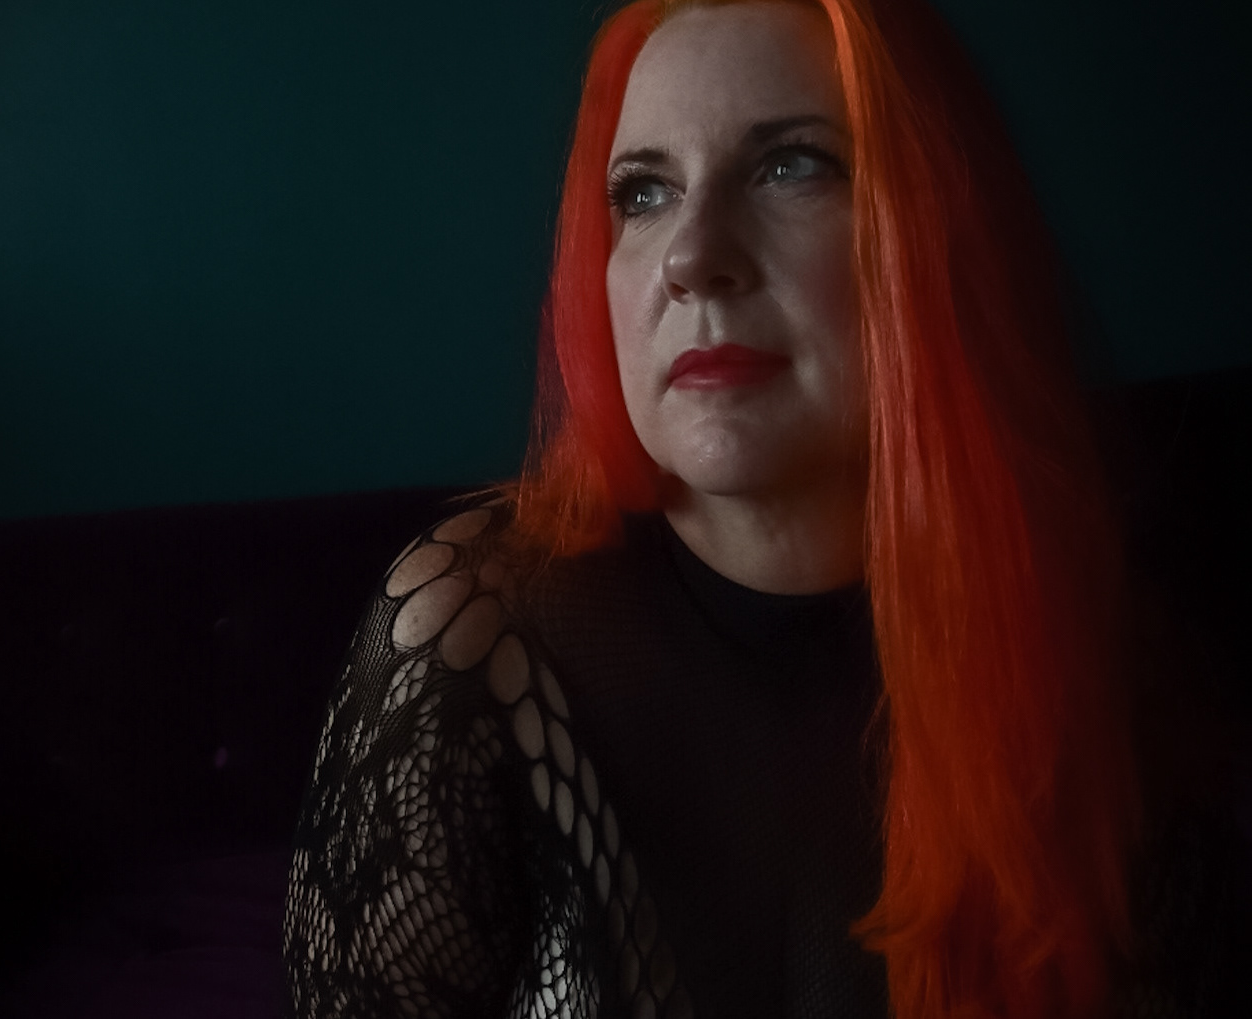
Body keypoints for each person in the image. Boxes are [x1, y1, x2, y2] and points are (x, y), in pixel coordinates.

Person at [284, 1, 1236, 1016]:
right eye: (643, 192)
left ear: (939, 230)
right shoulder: (472, 639)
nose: (692, 255)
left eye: (790, 166)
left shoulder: (1107, 660)